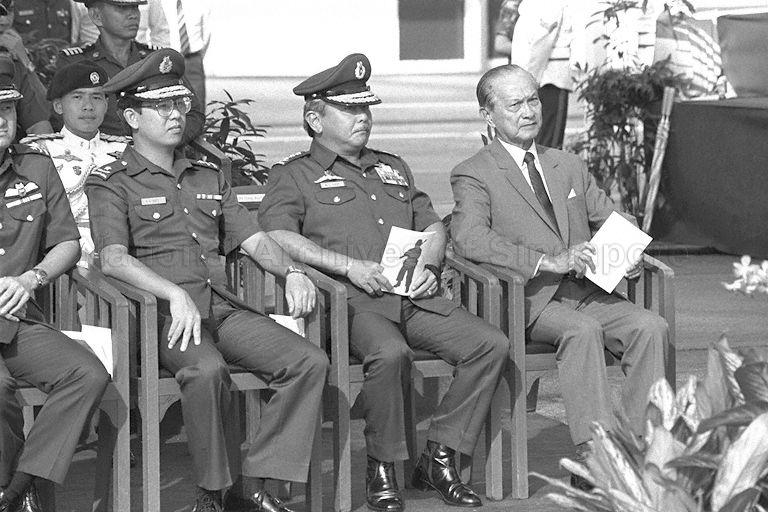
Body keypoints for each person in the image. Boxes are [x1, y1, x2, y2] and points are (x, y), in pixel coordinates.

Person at [259, 53, 508, 512]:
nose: (363, 118)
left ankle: (439, 455)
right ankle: (382, 466)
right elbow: (277, 235)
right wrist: (347, 266)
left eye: (366, 108)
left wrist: (429, 262)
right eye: (350, 109)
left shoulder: (392, 167)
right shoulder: (294, 174)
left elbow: (431, 224)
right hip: (351, 303)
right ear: (315, 120)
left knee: (489, 344)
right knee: (391, 354)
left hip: (412, 296)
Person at [84, 48, 328, 512]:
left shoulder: (207, 176)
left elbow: (254, 240)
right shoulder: (112, 180)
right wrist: (172, 293)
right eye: (161, 106)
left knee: (307, 361)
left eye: (179, 103)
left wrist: (293, 271)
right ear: (132, 118)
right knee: (207, 370)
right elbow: (113, 259)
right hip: (161, 316)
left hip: (219, 307)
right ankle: (212, 492)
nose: (175, 114)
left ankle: (256, 482)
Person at [450, 64, 669, 489]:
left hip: (587, 290)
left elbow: (611, 217)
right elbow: (469, 238)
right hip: (527, 298)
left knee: (650, 327)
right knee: (582, 331)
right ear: (488, 115)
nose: (529, 111)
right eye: (515, 104)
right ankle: (597, 456)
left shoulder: (567, 164)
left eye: (533, 100)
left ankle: (642, 451)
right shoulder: (474, 172)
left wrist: (630, 251)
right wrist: (546, 262)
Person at [0, 57, 109, 512]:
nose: (1, 121)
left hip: (18, 320)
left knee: (87, 374)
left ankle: (17, 487)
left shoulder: (36, 167)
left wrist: (33, 277)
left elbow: (66, 242)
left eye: (7, 109)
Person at [21, 61, 128, 268]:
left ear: (107, 104)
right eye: (77, 97)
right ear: (58, 106)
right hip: (63, 265)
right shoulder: (40, 151)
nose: (88, 106)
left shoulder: (126, 151)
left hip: (121, 257)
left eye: (97, 97)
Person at [57, 0, 204, 144]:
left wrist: (162, 144)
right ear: (96, 16)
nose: (133, 15)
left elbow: (194, 113)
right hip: (99, 154)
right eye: (122, 8)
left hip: (157, 154)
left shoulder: (157, 61)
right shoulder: (75, 62)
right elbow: (61, 119)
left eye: (135, 7)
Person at [493, 0, 579, 149]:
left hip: (536, 76)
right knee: (548, 144)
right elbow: (539, 44)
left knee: (534, 141)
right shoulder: (542, 4)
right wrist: (527, 79)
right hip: (546, 78)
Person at [0, 2, 54, 136]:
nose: (4, 20)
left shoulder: (11, 65)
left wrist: (24, 60)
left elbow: (41, 123)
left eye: (9, 11)